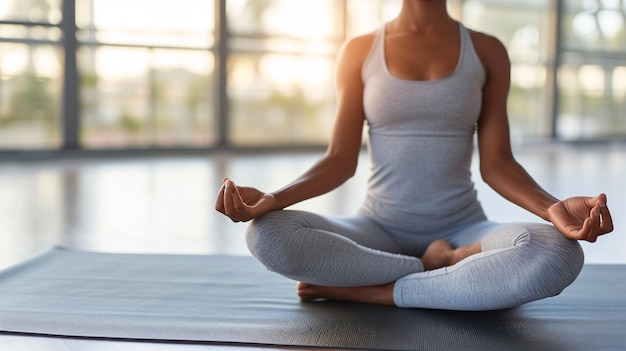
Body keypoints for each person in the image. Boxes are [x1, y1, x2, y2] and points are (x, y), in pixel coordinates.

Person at [215, 0, 614, 311]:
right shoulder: (358, 51)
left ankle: (374, 293)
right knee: (267, 234)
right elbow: (340, 158)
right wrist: (273, 200)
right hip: (376, 228)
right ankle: (436, 267)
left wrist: (553, 208)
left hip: (462, 227)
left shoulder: (488, 50)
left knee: (557, 252)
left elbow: (498, 164)